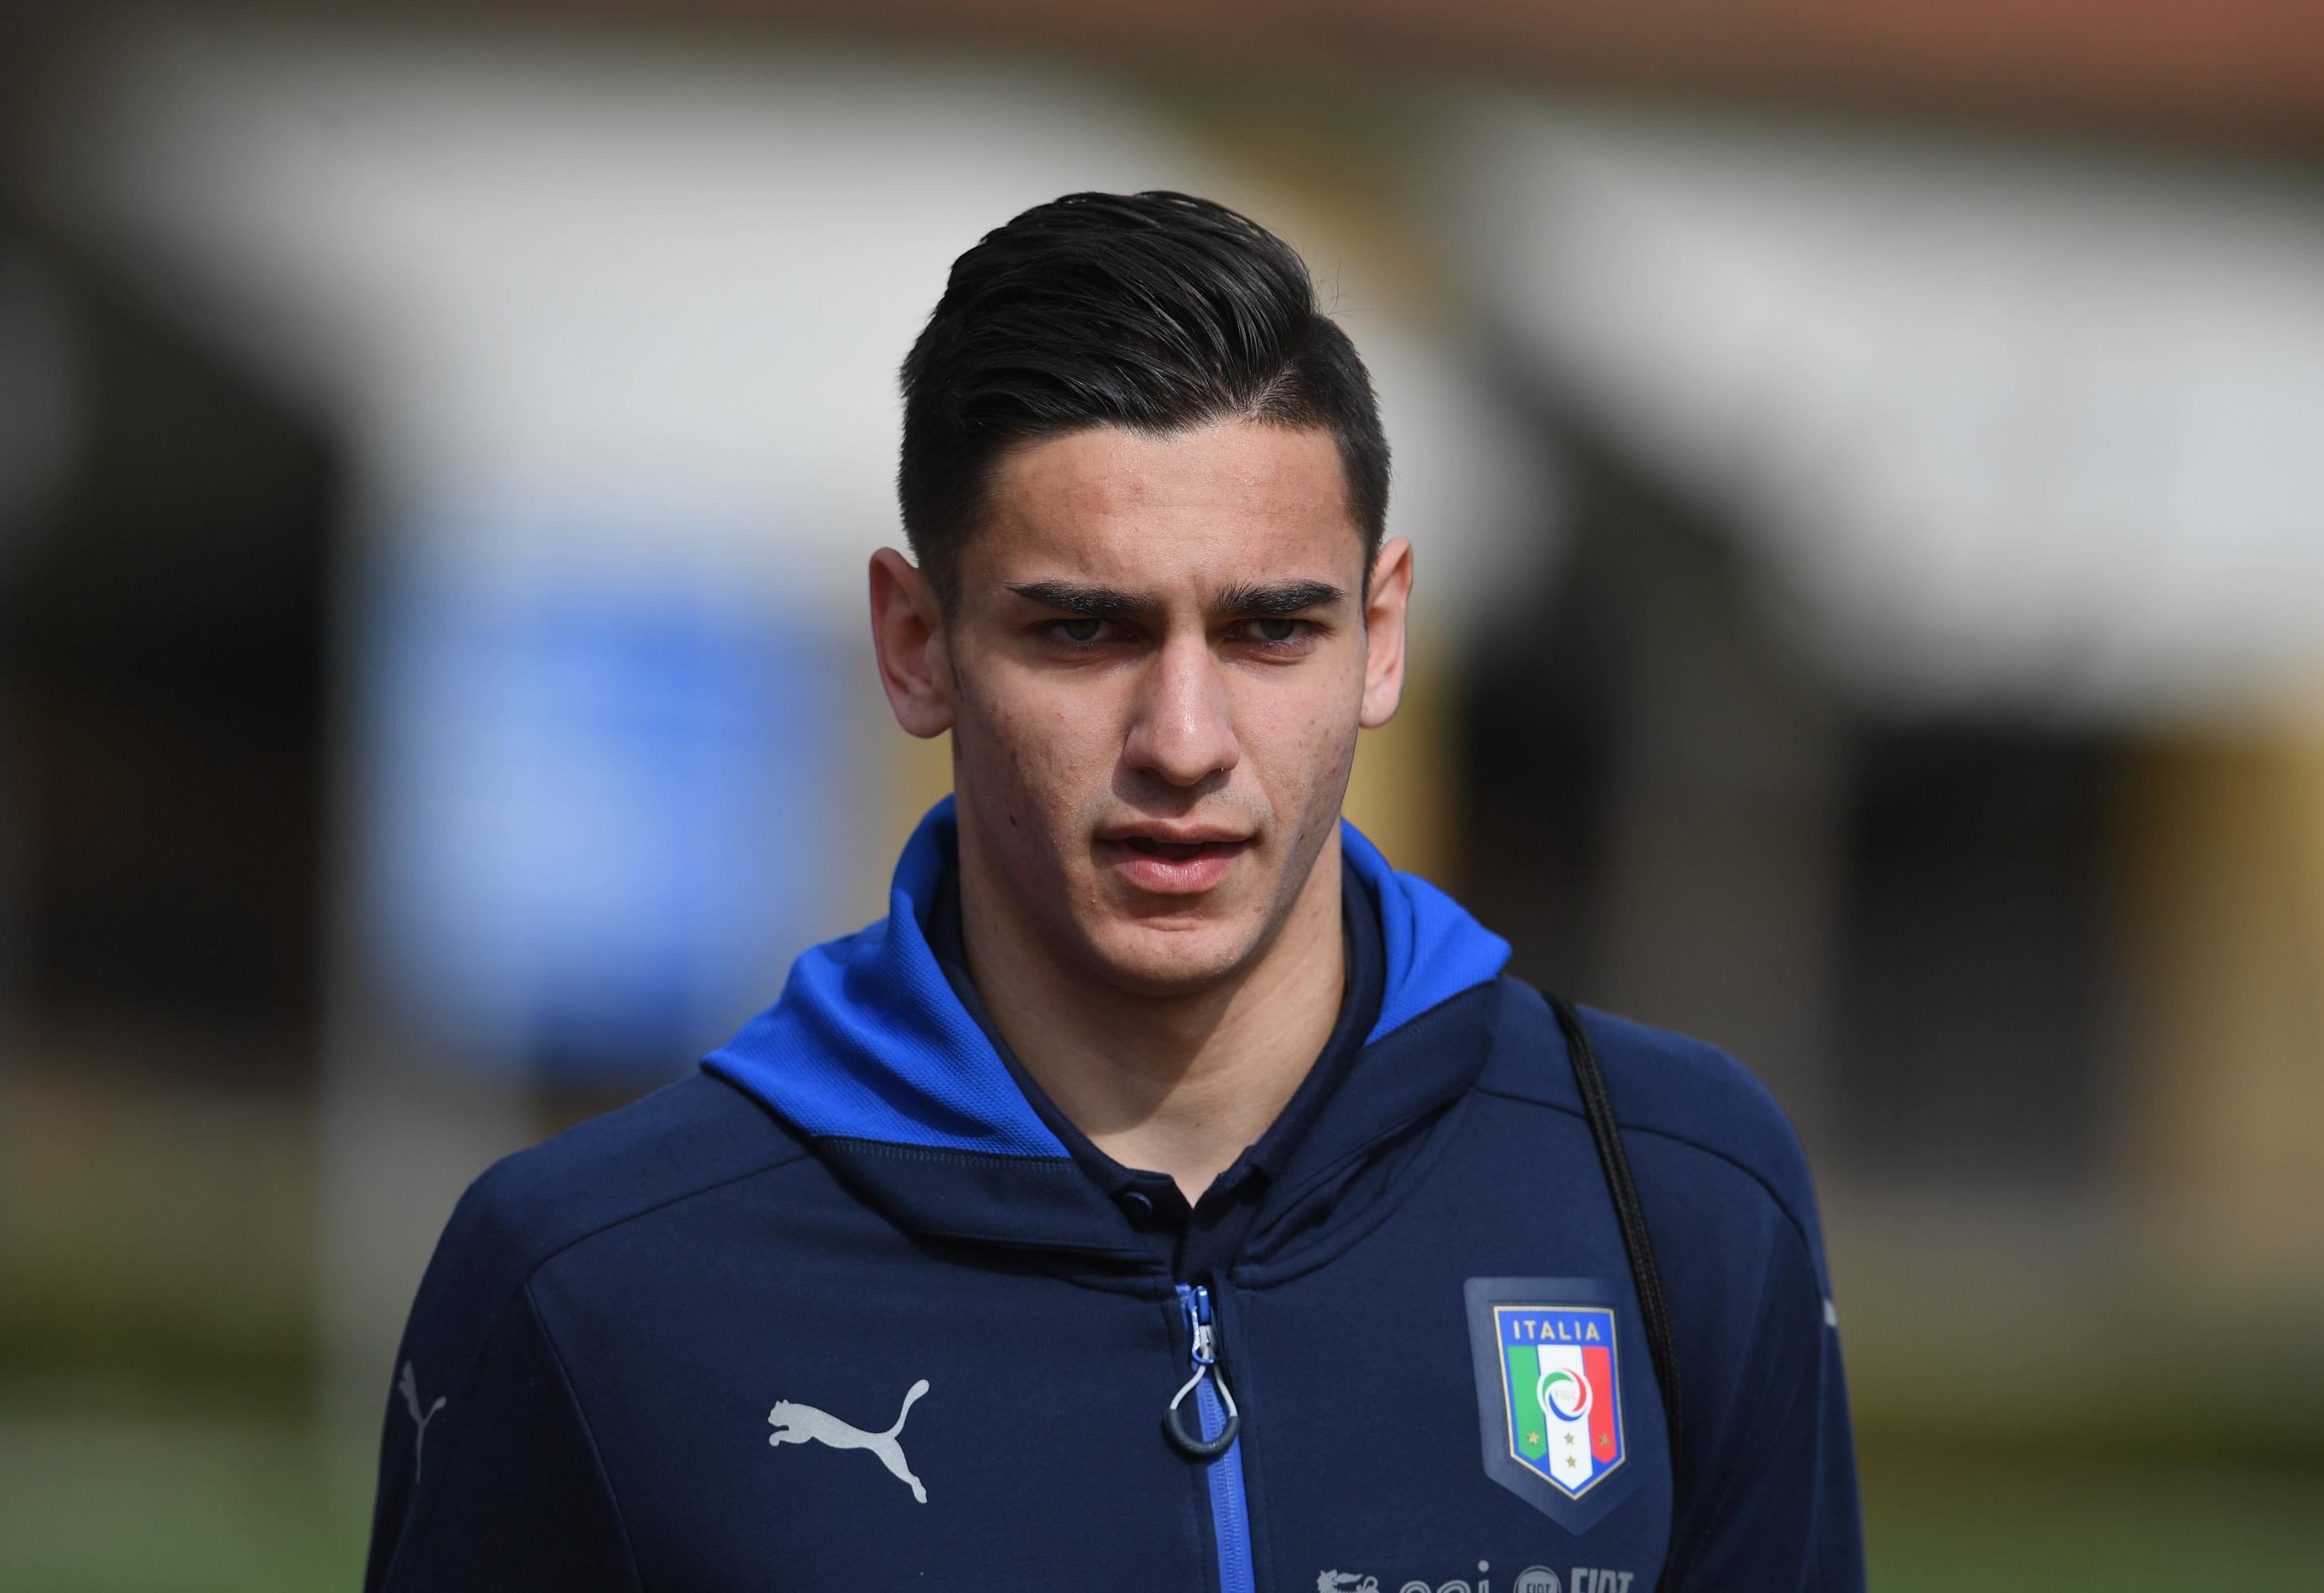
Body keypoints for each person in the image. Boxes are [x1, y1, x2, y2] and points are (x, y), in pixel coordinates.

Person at [364, 190, 1864, 1592]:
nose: (1186, 743)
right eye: (1085, 632)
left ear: (1384, 634)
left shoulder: (1674, 1193)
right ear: (916, 644)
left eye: (1273, 631)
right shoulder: (592, 1281)